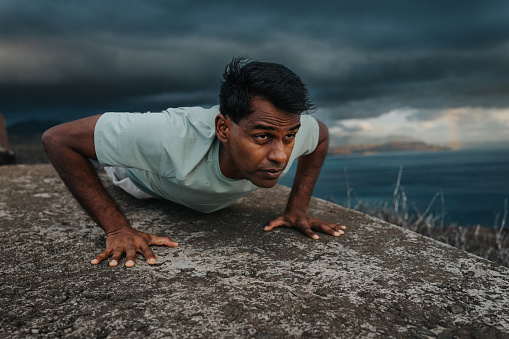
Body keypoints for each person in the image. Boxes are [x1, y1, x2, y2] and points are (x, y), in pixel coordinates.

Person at [42, 57, 346, 268]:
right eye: (263, 137)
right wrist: (117, 228)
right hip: (137, 178)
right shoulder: (169, 136)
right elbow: (58, 139)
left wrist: (297, 208)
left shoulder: (290, 129)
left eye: (289, 136)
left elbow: (321, 136)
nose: (281, 155)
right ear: (223, 129)